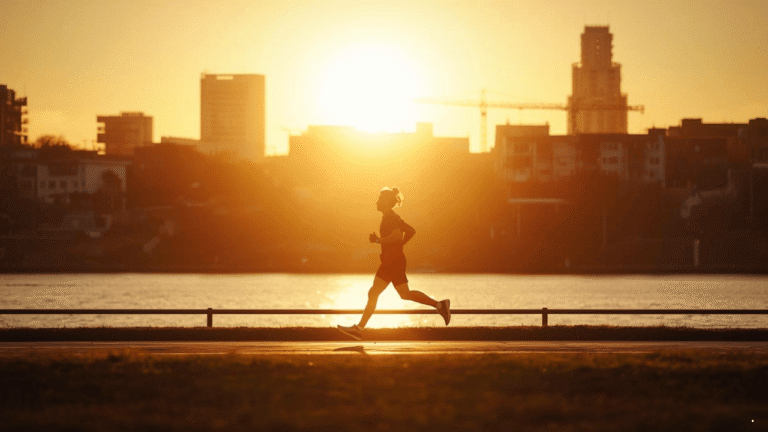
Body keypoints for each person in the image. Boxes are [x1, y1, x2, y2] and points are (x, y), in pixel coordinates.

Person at [338, 187, 450, 340]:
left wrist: (379, 240)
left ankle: (359, 329)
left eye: (379, 200)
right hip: (391, 260)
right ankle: (440, 305)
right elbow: (411, 231)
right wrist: (400, 244)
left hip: (393, 261)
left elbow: (396, 236)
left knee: (386, 293)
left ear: (386, 202)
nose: (376, 202)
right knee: (388, 293)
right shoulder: (392, 217)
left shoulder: (390, 217)